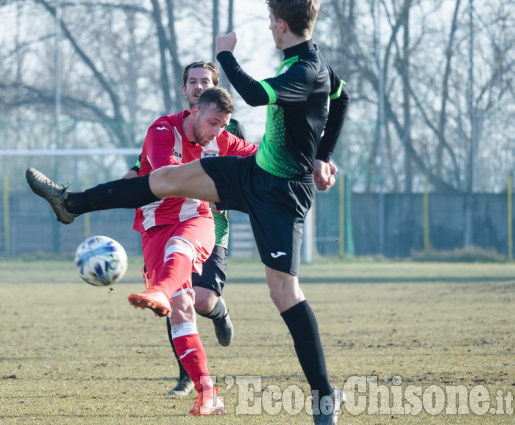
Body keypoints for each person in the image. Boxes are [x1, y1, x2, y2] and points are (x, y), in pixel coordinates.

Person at [26, 1, 350, 422]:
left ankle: (325, 396)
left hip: (282, 194)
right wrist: (324, 155)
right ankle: (70, 204)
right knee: (164, 180)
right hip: (253, 172)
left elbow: (253, 94)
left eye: (271, 20)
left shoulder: (304, 69)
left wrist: (225, 53)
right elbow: (343, 99)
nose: (269, 26)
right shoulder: (310, 64)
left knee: (283, 293)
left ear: (282, 24)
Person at [122, 61, 247, 397]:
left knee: (204, 299)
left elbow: (249, 170)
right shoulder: (167, 129)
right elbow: (145, 166)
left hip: (210, 222)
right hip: (165, 219)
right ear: (185, 90)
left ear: (214, 86)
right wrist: (124, 186)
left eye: (204, 81)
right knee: (177, 296)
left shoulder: (227, 130)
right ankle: (186, 377)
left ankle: (219, 313)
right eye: (192, 81)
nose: (197, 86)